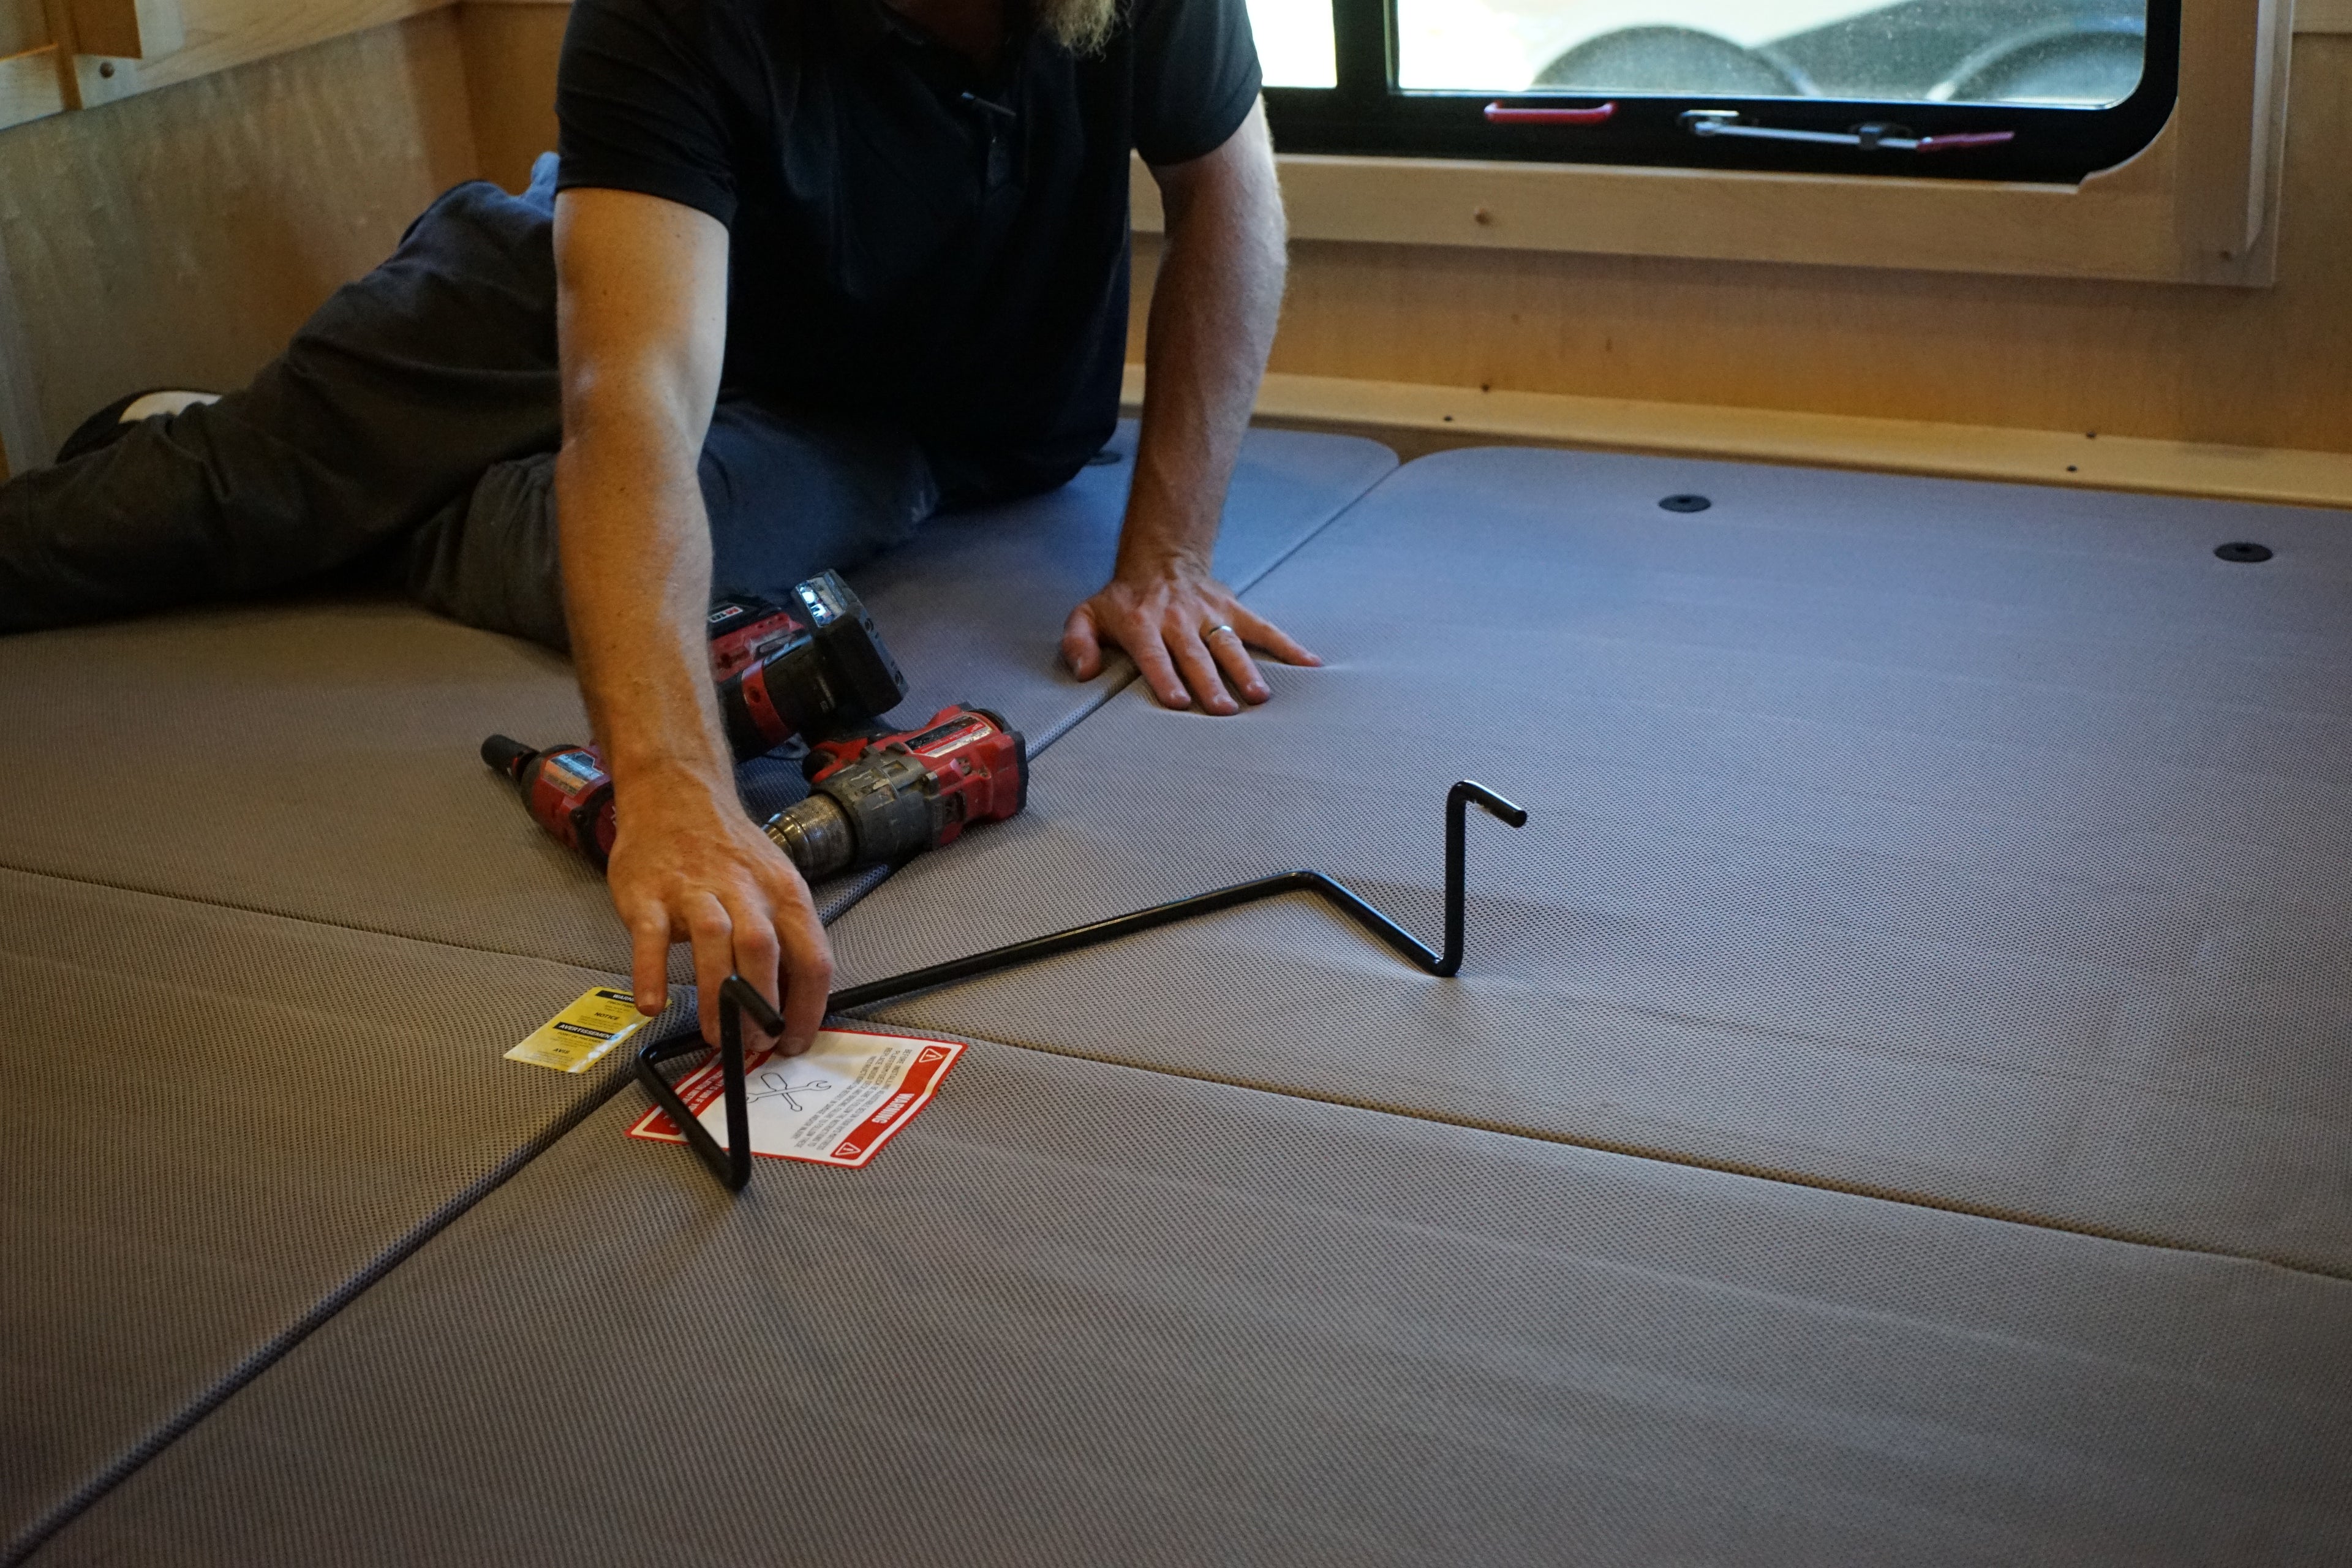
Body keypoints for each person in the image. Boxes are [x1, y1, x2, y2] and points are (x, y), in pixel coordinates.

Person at [0, 0, 1315, 1055]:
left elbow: (1232, 200)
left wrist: (1168, 558)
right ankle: (267, 458)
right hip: (601, 286)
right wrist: (677, 790)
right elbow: (630, 397)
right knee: (229, 490)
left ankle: (366, 505)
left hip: (889, 419)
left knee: (614, 578)